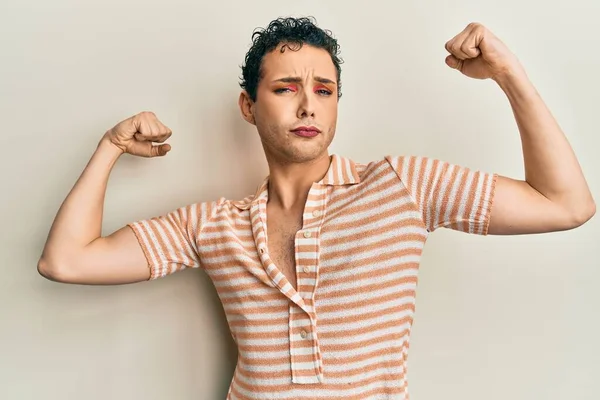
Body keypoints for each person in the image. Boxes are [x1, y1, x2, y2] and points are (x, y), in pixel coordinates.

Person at [38, 16, 595, 400]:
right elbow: (67, 261)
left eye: (324, 90)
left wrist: (507, 73)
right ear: (248, 107)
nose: (308, 103)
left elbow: (565, 204)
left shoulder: (401, 185)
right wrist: (110, 146)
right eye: (285, 88)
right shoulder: (211, 225)